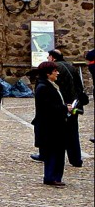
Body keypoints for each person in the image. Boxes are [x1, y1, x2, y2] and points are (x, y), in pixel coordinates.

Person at [32, 59, 73, 187]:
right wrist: (64, 108)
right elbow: (48, 108)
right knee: (53, 153)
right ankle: (52, 177)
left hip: (55, 125)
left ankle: (53, 176)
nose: (57, 73)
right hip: (50, 126)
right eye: (55, 71)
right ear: (48, 73)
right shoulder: (43, 87)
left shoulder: (50, 85)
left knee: (57, 152)